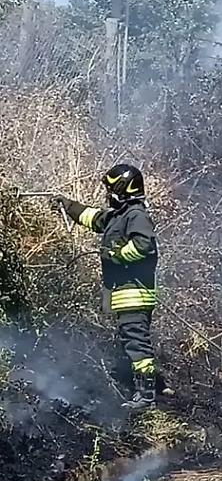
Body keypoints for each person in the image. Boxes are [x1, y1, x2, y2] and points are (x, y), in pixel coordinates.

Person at [56, 163, 161, 410]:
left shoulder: (136, 215)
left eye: (111, 189)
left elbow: (144, 245)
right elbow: (93, 218)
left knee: (137, 343)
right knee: (131, 341)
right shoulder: (118, 216)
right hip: (125, 295)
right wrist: (68, 206)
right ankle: (143, 392)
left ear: (124, 189)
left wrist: (118, 254)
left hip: (135, 295)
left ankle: (146, 396)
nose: (108, 194)